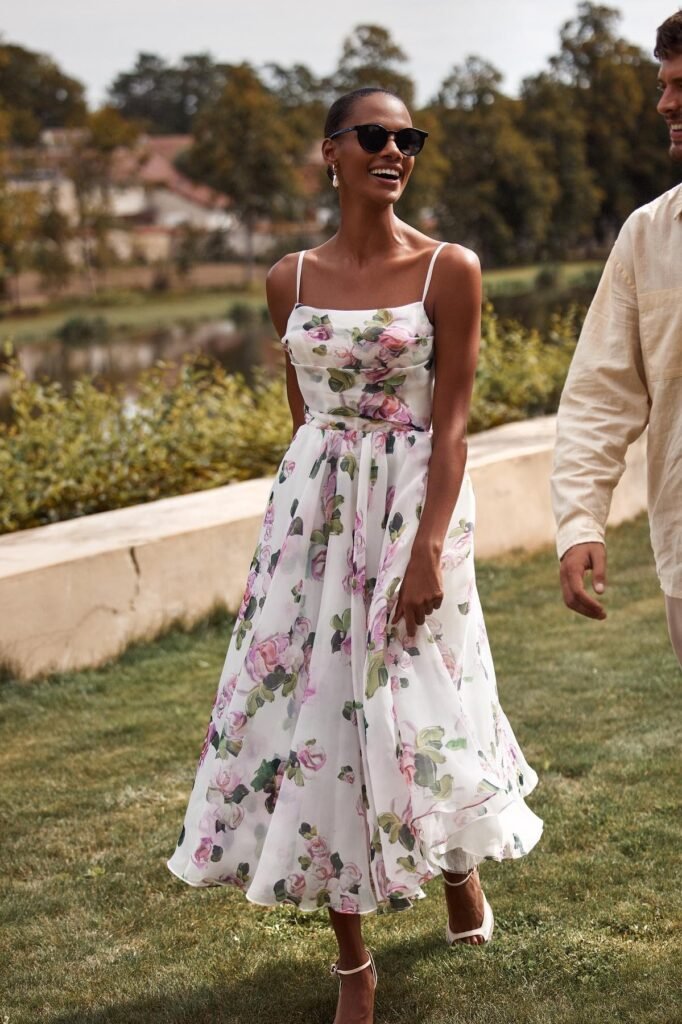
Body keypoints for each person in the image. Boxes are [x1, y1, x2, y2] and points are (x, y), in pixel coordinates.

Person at [168, 87, 542, 1024]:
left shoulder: (448, 269)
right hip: (312, 518)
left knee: (423, 704)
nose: (395, 150)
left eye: (407, 138)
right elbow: (304, 419)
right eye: (373, 135)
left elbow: (452, 428)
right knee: (319, 717)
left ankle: (457, 866)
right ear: (329, 152)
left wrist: (427, 550)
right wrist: (315, 511)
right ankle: (351, 961)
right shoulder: (286, 278)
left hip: (414, 508)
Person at [552, 12, 682, 668]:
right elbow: (598, 395)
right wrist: (579, 522)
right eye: (663, 85)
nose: (665, 103)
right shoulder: (648, 236)